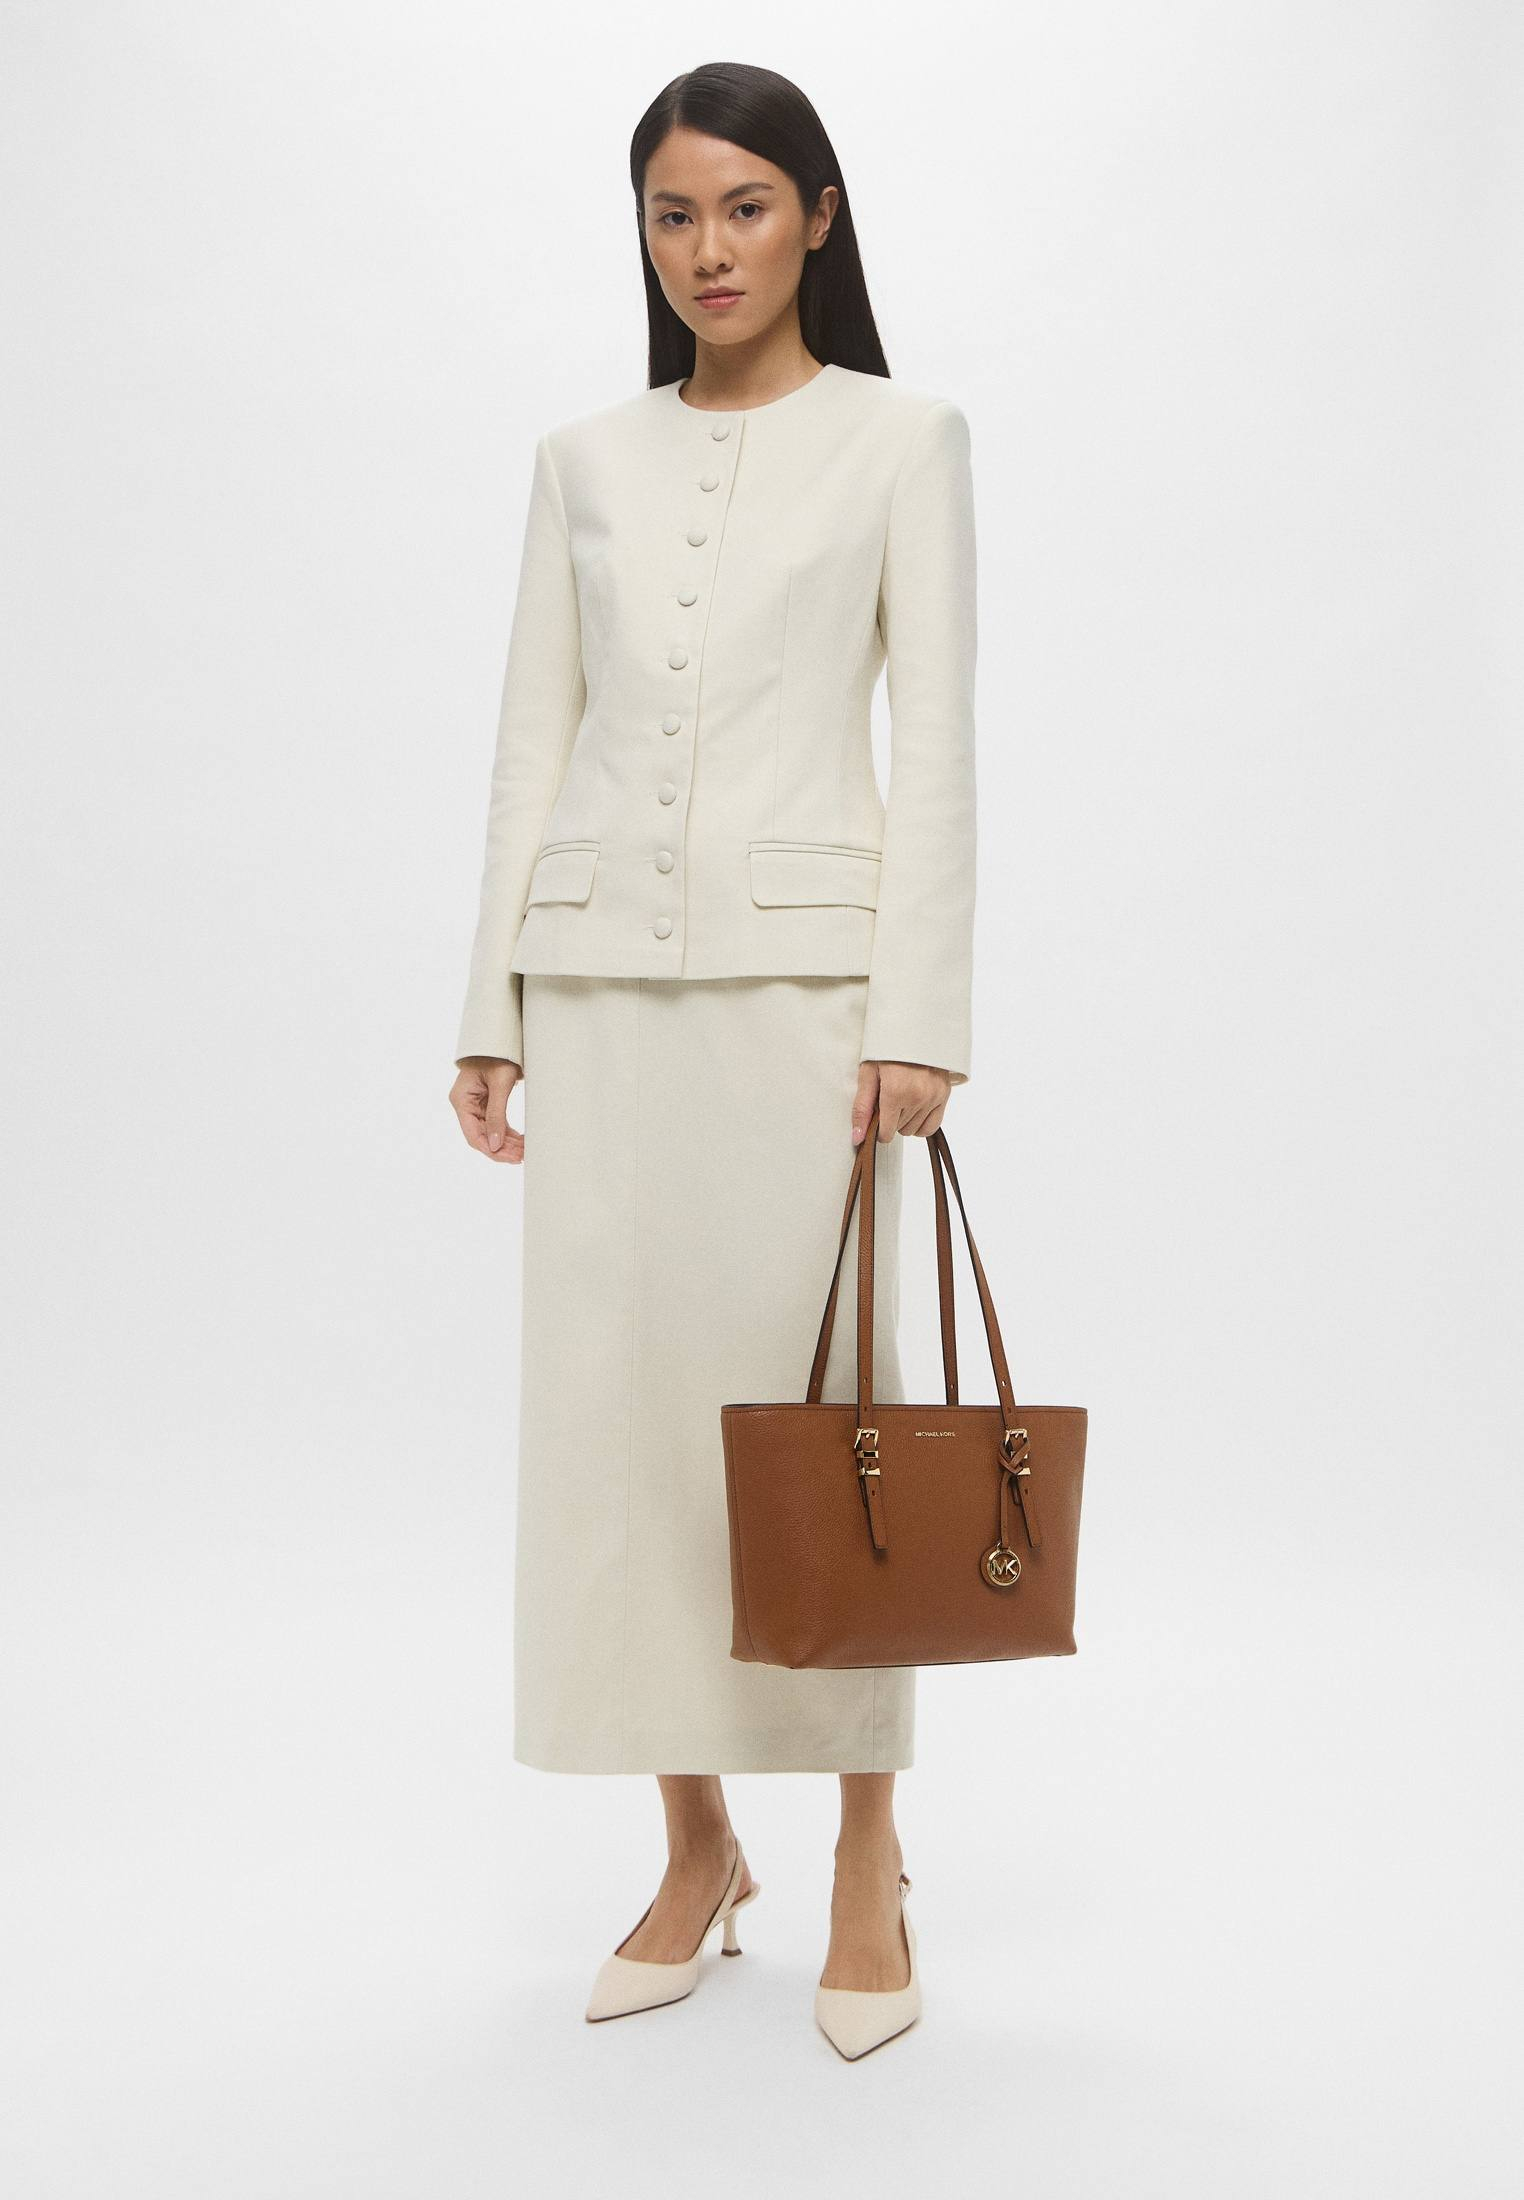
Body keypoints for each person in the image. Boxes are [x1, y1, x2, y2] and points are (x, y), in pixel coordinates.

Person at [448, 61, 976, 2059]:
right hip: (600, 993)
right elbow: (533, 737)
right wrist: (489, 1005)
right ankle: (695, 1845)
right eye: (674, 214)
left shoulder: (905, 441)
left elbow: (942, 743)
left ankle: (866, 1857)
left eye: (747, 206)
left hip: (807, 1004)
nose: (709, 249)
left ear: (818, 216)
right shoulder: (581, 458)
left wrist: (920, 1014)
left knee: (829, 1431)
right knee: (626, 1433)